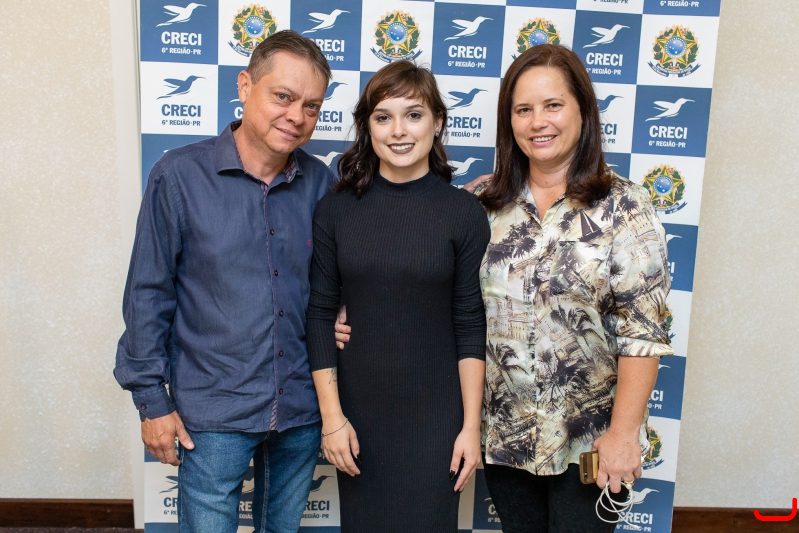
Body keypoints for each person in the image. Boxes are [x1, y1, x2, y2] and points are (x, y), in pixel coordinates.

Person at [114, 31, 338, 533]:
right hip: (213, 411)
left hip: (301, 408)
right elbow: (147, 293)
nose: (297, 116)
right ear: (245, 86)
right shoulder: (178, 175)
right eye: (283, 97)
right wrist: (152, 402)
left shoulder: (322, 184)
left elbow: (338, 282)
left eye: (311, 106)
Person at [476, 44, 673, 533]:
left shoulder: (625, 207)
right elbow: (433, 291)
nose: (537, 122)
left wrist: (624, 435)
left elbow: (642, 333)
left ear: (583, 111)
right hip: (507, 438)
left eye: (553, 105)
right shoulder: (482, 205)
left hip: (591, 442)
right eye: (523, 109)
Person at [305, 61, 490, 533]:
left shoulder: (464, 213)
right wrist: (332, 419)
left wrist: (471, 427)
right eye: (383, 117)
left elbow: (470, 322)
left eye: (414, 115)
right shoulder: (336, 210)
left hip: (437, 419)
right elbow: (320, 314)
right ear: (368, 127)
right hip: (359, 417)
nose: (399, 131)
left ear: (438, 122)